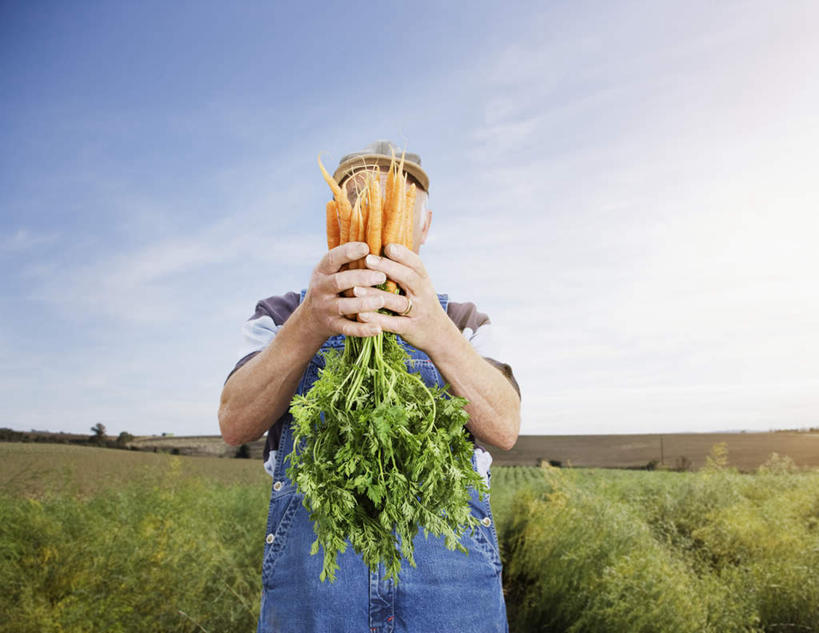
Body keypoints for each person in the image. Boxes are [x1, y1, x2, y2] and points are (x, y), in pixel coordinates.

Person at [218, 140, 521, 633]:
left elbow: (505, 427)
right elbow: (234, 422)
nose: (372, 209)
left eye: (395, 200)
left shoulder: (463, 321)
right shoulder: (281, 314)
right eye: (356, 197)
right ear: (338, 218)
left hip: (450, 599)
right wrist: (309, 324)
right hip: (315, 599)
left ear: (423, 223)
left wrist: (437, 333)